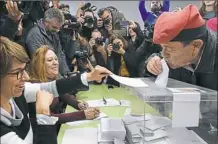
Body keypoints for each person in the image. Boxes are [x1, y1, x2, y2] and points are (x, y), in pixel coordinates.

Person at [0, 36, 111, 144]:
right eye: (17, 72)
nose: (26, 77)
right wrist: (43, 113)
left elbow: (52, 87)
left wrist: (90, 76)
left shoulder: (17, 94)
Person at [145, 5, 217, 143]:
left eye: (169, 49)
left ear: (195, 46)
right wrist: (151, 62)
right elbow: (157, 56)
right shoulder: (182, 49)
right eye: (162, 48)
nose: (163, 54)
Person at [28, 46, 100, 138]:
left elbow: (62, 94)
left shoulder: (50, 79)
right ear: (40, 64)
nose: (55, 63)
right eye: (50, 60)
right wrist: (82, 115)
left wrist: (78, 104)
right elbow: (48, 118)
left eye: (56, 59)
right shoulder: (34, 87)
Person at [26, 8, 70, 76]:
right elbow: (40, 62)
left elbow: (60, 54)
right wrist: (60, 79)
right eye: (55, 27)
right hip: (40, 77)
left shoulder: (54, 33)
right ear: (46, 22)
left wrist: (66, 73)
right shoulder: (34, 35)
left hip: (53, 76)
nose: (57, 30)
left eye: (59, 28)